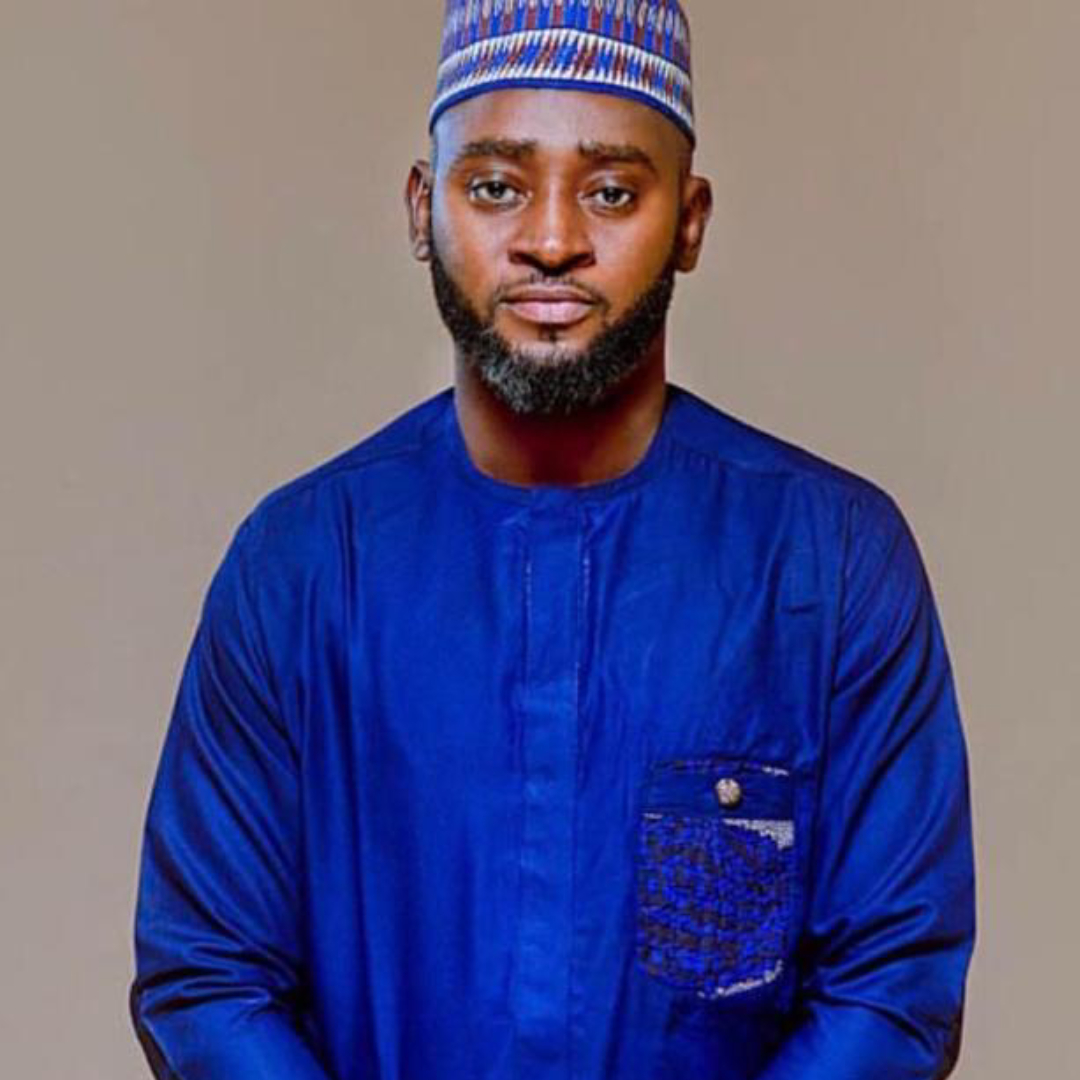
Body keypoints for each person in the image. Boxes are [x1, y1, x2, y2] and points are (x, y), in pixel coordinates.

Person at [129, 2, 975, 1078]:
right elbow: (207, 978)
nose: (551, 239)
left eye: (612, 190)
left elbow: (892, 989)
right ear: (422, 207)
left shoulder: (831, 562)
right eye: (496, 186)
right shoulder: (300, 567)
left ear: (690, 221)